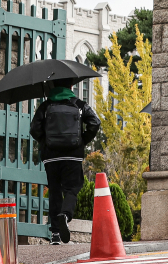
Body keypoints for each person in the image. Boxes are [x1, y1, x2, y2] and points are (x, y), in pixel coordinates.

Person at [30, 80, 101, 245]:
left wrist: (45, 141)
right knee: (72, 189)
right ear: (71, 87)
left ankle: (55, 234)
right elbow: (95, 123)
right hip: (72, 155)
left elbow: (34, 128)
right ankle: (66, 215)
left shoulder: (45, 106)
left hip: (51, 156)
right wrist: (82, 140)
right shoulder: (79, 104)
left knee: (54, 192)